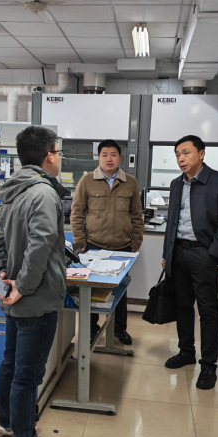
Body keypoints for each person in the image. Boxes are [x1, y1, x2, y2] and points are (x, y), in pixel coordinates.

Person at [0, 126, 67, 437]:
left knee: (10, 364)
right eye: (58, 152)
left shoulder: (12, 190)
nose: (59, 158)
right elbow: (41, 244)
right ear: (49, 156)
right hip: (36, 299)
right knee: (27, 375)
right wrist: (24, 285)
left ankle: (6, 427)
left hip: (14, 297)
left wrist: (4, 278)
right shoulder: (44, 193)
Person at [161, 135, 218, 390]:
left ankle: (208, 365)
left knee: (207, 310)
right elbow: (171, 222)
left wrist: (212, 253)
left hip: (203, 254)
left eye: (186, 153)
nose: (181, 159)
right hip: (178, 253)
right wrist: (167, 253)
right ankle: (186, 351)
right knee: (182, 306)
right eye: (177, 155)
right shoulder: (176, 184)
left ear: (201, 154)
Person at [70, 139, 143, 345]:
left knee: (120, 290)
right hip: (93, 245)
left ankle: (119, 329)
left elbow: (136, 215)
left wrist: (136, 241)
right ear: (98, 157)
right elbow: (77, 213)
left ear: (120, 158)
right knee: (90, 290)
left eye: (113, 154)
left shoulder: (130, 182)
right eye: (104, 155)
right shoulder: (87, 181)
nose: (109, 159)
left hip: (122, 247)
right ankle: (91, 329)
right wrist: (80, 242)